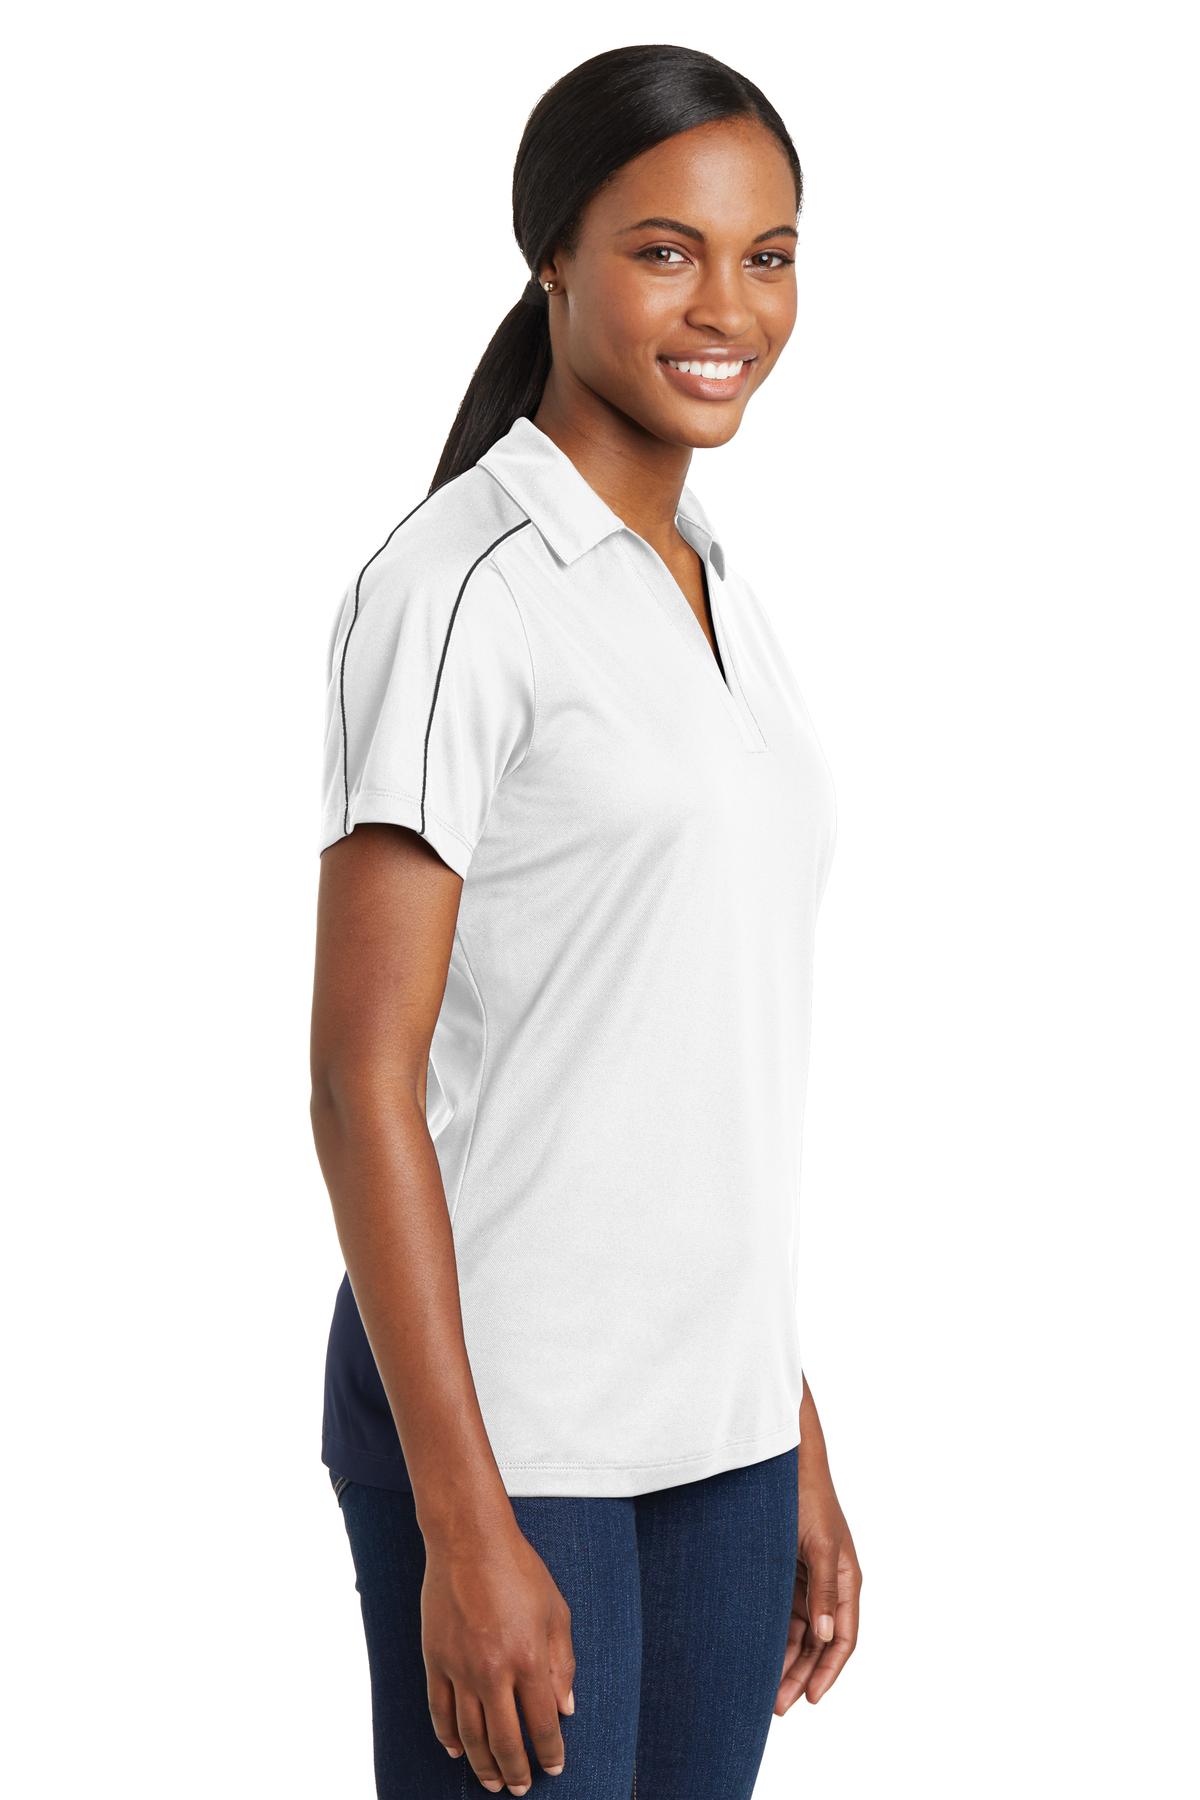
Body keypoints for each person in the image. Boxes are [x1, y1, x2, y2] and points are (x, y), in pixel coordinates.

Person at [309, 41, 862, 1800]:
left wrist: (785, 1420)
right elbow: (361, 1081)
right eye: (665, 250)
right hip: (509, 1428)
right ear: (552, 258)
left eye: (768, 255)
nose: (728, 308)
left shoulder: (716, 583)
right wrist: (463, 1521)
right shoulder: (456, 591)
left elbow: (687, 1057)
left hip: (716, 1434)